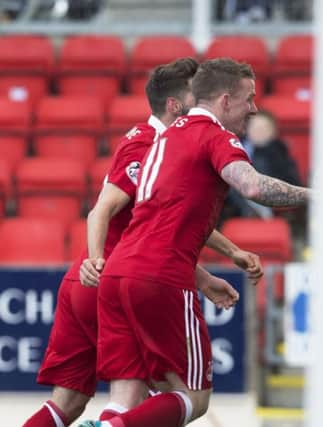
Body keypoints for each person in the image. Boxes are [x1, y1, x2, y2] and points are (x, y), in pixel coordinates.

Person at [22, 58, 263, 427]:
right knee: (156, 396)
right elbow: (112, 214)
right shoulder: (151, 142)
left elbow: (161, 215)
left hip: (97, 274)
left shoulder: (160, 142)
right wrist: (98, 260)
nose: (200, 97)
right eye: (192, 91)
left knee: (67, 403)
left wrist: (228, 254)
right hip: (110, 275)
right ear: (174, 103)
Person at [79, 58, 310, 427]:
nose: (253, 108)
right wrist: (317, 196)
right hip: (162, 277)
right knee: (193, 396)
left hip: (119, 274)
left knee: (131, 393)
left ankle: (110, 422)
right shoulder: (215, 136)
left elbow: (166, 214)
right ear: (224, 100)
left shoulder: (164, 137)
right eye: (249, 98)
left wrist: (215, 267)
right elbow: (252, 186)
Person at [223, 110, 302, 219]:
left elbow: (292, 182)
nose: (258, 132)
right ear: (247, 129)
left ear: (273, 132)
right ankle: (250, 212)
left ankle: (256, 212)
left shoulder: (280, 152)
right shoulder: (234, 146)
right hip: (236, 202)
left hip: (268, 196)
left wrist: (265, 150)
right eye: (255, 127)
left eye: (263, 129)